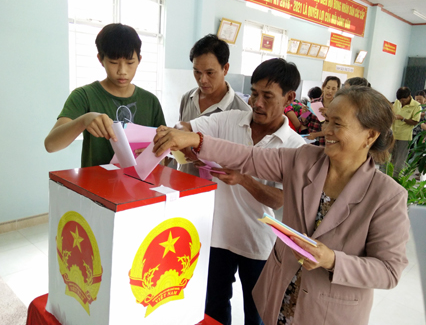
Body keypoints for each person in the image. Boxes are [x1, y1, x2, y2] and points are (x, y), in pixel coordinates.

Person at [152, 86, 410, 325]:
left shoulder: (387, 196)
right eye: (328, 120)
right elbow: (248, 157)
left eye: (338, 124)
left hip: (330, 311)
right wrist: (196, 140)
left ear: (370, 135)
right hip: (280, 296)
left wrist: (332, 260)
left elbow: (389, 270)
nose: (326, 130)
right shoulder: (305, 159)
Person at [177, 58, 305, 325]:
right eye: (254, 94)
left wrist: (244, 180)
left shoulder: (295, 147)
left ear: (289, 97)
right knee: (213, 307)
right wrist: (181, 138)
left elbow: (282, 200)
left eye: (267, 96)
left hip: (258, 243)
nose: (257, 103)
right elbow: (190, 129)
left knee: (257, 313)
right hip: (217, 236)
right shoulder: (230, 121)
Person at [44, 23, 166, 167]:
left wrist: (154, 154)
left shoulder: (150, 101)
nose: (122, 71)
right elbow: (51, 145)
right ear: (100, 59)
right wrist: (84, 121)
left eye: (130, 62)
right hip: (97, 187)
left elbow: (164, 158)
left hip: (140, 186)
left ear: (139, 59)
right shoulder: (84, 96)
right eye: (114, 62)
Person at [178, 34, 251, 176]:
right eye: (197, 72)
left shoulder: (242, 111)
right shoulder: (187, 98)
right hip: (184, 181)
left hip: (216, 191)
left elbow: (242, 162)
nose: (202, 80)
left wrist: (207, 159)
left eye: (210, 73)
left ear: (225, 68)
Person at [300, 76, 341, 146]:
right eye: (328, 87)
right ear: (323, 87)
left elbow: (337, 128)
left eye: (333, 89)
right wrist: (304, 114)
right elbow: (304, 122)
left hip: (327, 143)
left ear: (337, 90)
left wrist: (329, 115)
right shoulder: (313, 102)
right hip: (311, 142)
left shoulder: (338, 106)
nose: (330, 91)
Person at [391, 87, 421, 177]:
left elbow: (415, 122)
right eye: (400, 100)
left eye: (403, 100)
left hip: (404, 136)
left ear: (409, 96)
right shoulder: (397, 102)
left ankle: (396, 179)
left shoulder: (416, 105)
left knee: (400, 160)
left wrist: (402, 118)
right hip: (393, 134)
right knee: (389, 158)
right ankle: (387, 177)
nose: (401, 102)